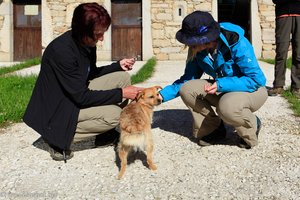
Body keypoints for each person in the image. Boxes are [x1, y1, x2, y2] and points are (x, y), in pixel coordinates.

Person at [23, 3, 143, 162]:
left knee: (123, 78)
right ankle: (55, 137)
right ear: (82, 31)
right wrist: (121, 94)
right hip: (58, 108)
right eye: (98, 34)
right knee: (115, 115)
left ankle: (102, 132)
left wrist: (117, 66)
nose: (101, 38)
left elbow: (89, 74)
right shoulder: (62, 51)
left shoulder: (86, 42)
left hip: (73, 94)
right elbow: (81, 97)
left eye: (103, 33)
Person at [159, 11, 268, 149]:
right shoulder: (198, 49)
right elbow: (188, 79)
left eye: (190, 41)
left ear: (203, 39)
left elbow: (257, 80)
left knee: (227, 107)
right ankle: (214, 129)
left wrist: (221, 84)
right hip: (222, 88)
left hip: (251, 90)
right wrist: (160, 96)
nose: (188, 45)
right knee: (187, 89)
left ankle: (251, 125)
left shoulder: (237, 42)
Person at [268, 0, 300, 98]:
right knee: (281, 52)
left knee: (299, 53)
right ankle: (278, 85)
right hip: (282, 15)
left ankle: (297, 87)